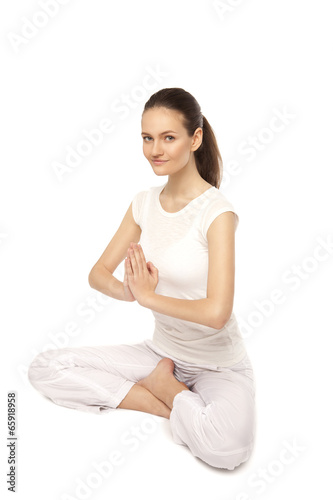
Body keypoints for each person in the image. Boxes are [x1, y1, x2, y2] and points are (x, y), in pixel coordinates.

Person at [28, 87, 256, 470]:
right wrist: (129, 292)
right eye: (147, 138)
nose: (155, 149)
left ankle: (170, 391)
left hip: (219, 364)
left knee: (229, 450)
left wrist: (150, 298)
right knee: (45, 366)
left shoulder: (217, 213)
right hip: (160, 354)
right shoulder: (143, 203)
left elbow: (218, 312)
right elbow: (97, 275)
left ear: (195, 138)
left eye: (169, 137)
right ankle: (162, 400)